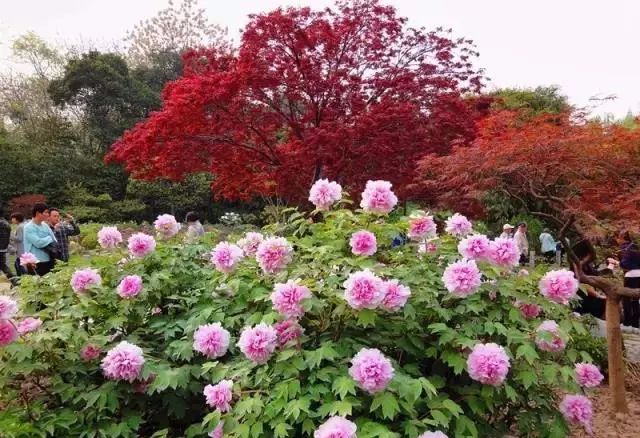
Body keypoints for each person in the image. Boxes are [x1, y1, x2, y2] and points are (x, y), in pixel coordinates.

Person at [23, 203, 57, 276]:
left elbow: (54, 239)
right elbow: (38, 243)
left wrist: (47, 239)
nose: (48, 214)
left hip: (48, 259)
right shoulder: (28, 227)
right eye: (46, 212)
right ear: (38, 213)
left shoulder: (45, 225)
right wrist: (49, 238)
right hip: (35, 262)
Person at [618, 231, 640, 328]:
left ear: (622, 237)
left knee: (626, 298)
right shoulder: (636, 246)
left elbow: (624, 263)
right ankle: (636, 323)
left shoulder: (625, 247)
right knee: (636, 299)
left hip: (630, 275)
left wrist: (618, 263)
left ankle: (627, 322)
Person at [0, 207, 17, 283]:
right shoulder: (6, 223)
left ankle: (15, 281)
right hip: (3, 248)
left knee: (3, 266)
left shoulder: (1, 223)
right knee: (3, 266)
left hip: (1, 248)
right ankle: (14, 281)